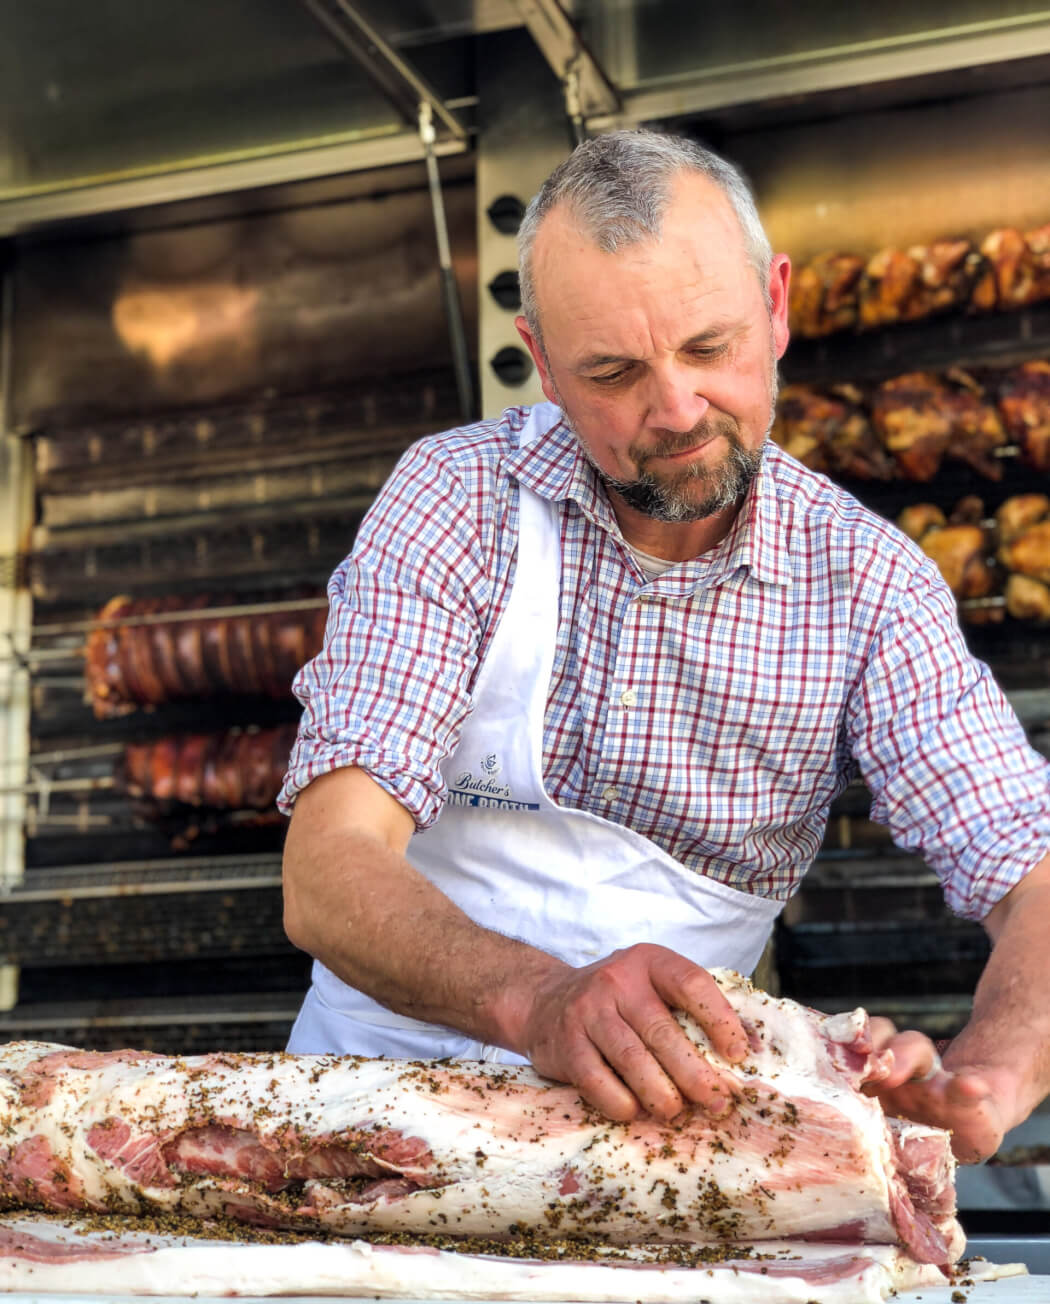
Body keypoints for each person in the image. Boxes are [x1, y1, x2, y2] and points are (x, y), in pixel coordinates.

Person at [279, 129, 1050, 1165]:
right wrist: (544, 999)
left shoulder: (866, 584)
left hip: (667, 1159)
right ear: (543, 363)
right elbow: (328, 867)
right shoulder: (455, 499)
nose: (677, 410)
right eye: (614, 370)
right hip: (370, 1117)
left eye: (708, 347)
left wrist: (993, 1066)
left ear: (776, 306)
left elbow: (1029, 865)